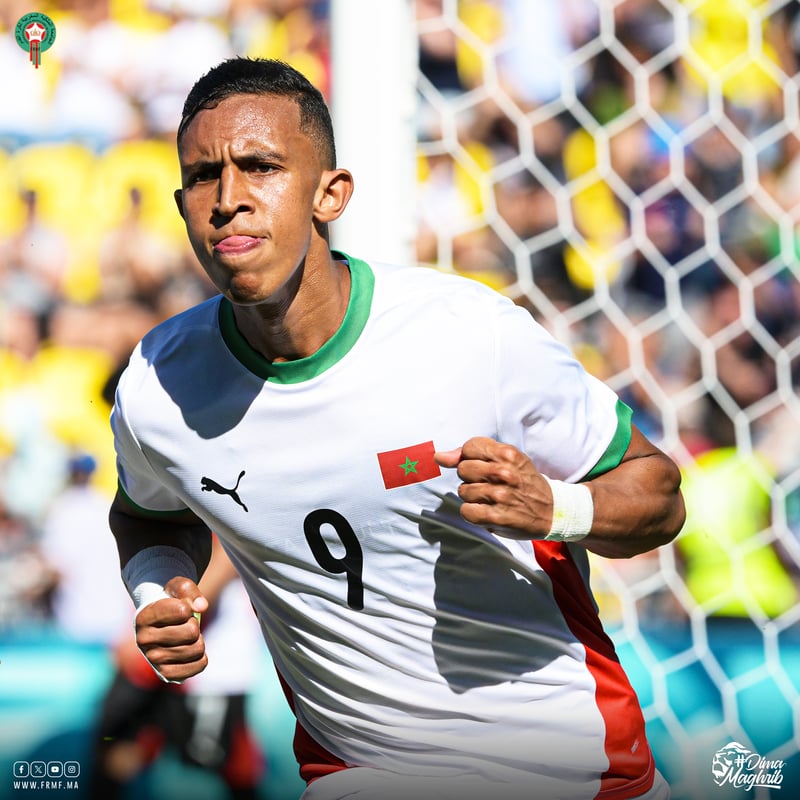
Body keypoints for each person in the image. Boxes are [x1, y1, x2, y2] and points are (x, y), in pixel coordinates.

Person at [108, 57, 686, 800]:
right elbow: (145, 514)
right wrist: (157, 591)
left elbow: (660, 495)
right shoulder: (158, 384)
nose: (229, 200)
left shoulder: (470, 335)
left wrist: (556, 508)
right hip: (361, 774)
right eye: (202, 176)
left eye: (261, 167)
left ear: (330, 193)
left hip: (566, 767)